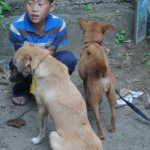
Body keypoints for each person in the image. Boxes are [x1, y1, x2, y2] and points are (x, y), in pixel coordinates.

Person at [9, 0, 77, 106]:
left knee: (68, 59)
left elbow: (51, 52)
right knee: (18, 64)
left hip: (45, 60)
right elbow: (22, 54)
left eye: (40, 4)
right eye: (30, 3)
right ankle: (21, 90)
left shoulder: (59, 24)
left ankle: (50, 89)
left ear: (51, 6)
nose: (34, 9)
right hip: (27, 62)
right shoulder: (16, 27)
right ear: (24, 4)